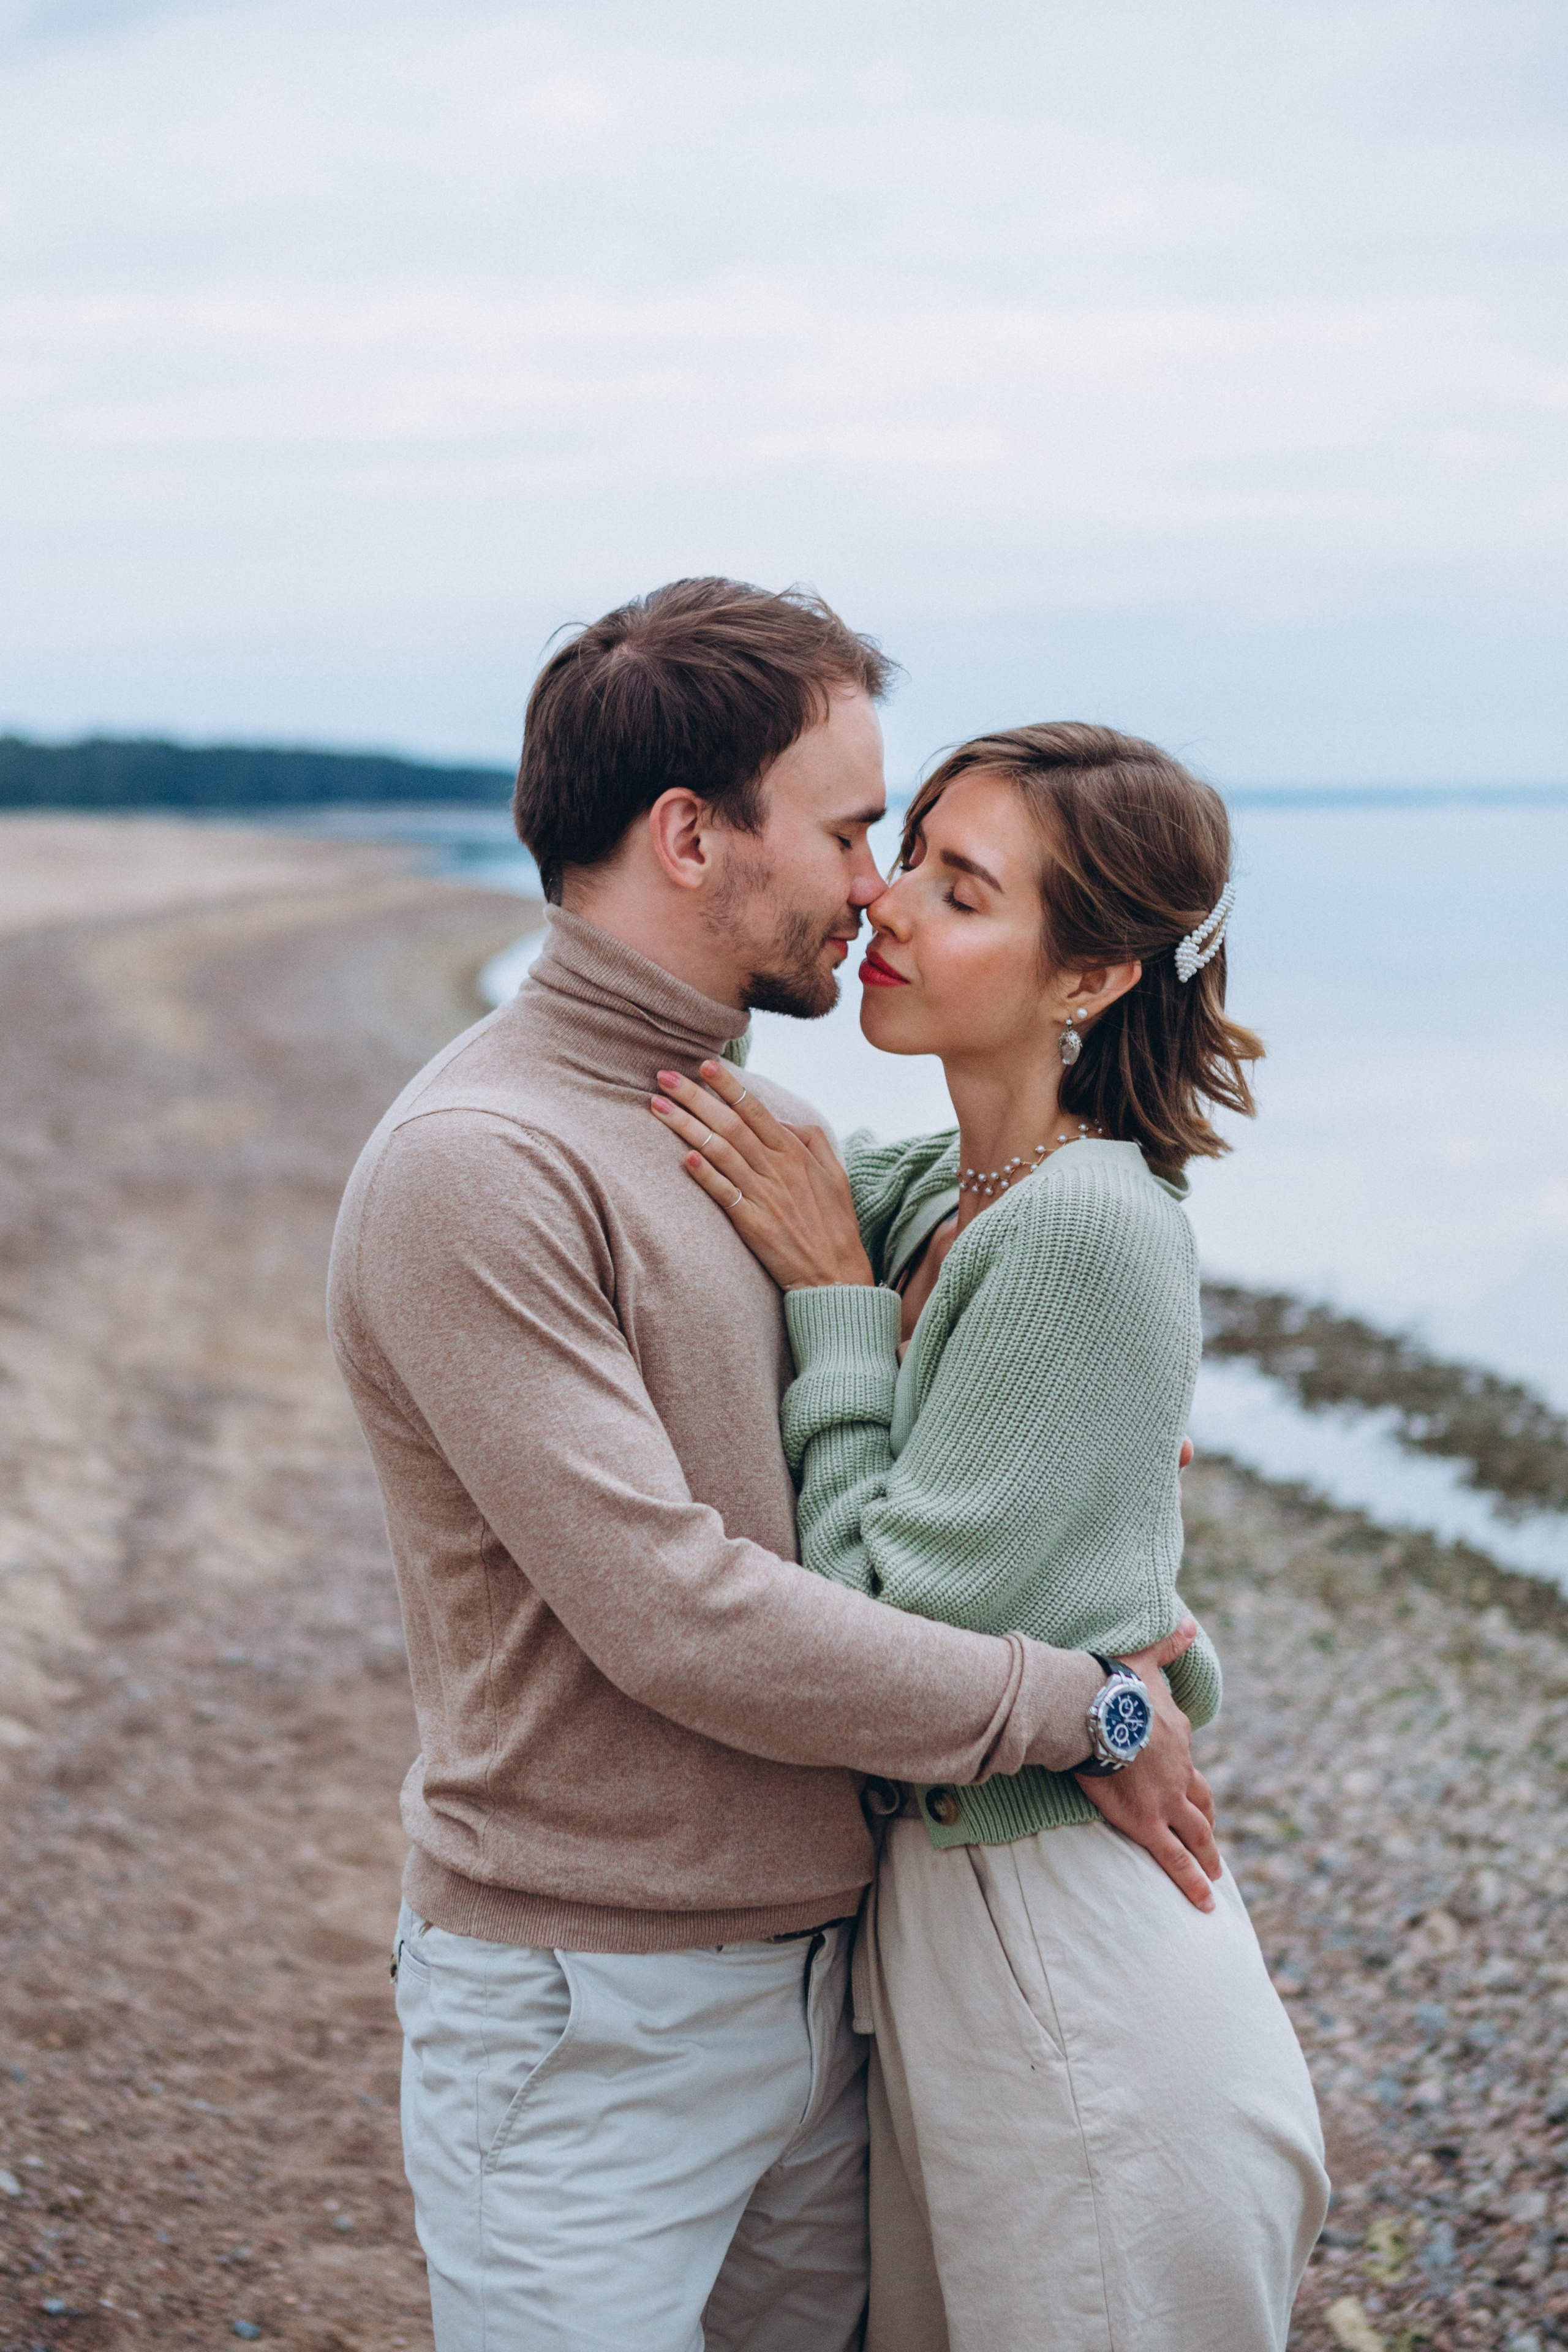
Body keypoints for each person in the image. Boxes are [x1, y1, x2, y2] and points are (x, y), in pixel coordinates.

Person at [327, 585, 1223, 2352]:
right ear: (688, 837)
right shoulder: (482, 1165)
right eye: (846, 830)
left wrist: (1095, 1445)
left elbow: (1018, 1262)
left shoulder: (758, 1134)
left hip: (836, 1984)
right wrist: (1086, 1710)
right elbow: (681, 1612)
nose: (873, 885)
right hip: (592, 2008)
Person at [649, 722, 1330, 2352]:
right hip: (978, 1937)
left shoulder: (1084, 1225)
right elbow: (1076, 1539)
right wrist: (1147, 1648)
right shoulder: (943, 1196)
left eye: (960, 891)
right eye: (908, 858)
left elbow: (874, 1630)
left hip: (1067, 1966)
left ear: (1090, 978)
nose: (885, 903)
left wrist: (835, 1315)